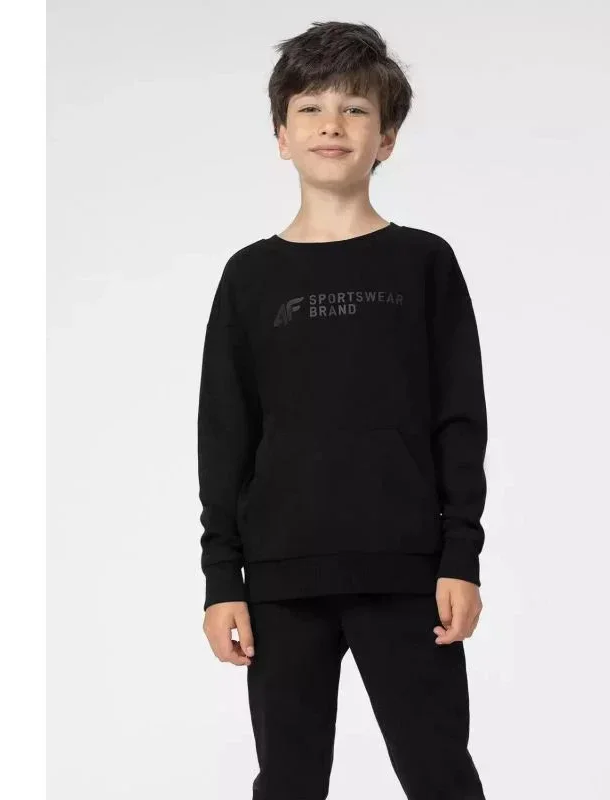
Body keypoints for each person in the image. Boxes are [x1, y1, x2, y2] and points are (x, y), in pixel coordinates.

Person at [197, 20, 489, 800]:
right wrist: (222, 579)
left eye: (356, 109)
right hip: (281, 578)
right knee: (288, 781)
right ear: (281, 137)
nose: (332, 124)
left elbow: (460, 419)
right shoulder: (250, 277)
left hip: (406, 570)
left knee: (438, 774)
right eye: (311, 108)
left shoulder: (424, 262)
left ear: (385, 139)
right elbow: (224, 434)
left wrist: (460, 557)